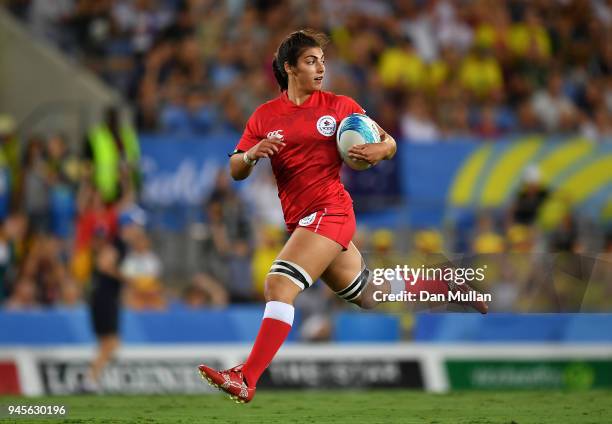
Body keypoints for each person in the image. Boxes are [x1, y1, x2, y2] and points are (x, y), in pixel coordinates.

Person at [198, 29, 487, 404]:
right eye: (311, 60)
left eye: (322, 60)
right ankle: (447, 287)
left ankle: (246, 377)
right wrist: (253, 154)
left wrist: (379, 152)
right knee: (367, 293)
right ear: (289, 68)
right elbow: (236, 167)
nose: (320, 67)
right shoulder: (265, 115)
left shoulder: (339, 106)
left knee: (278, 286)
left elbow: (390, 141)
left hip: (331, 211)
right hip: (304, 221)